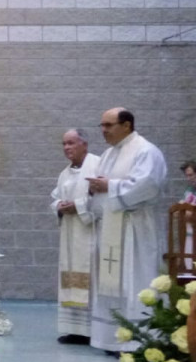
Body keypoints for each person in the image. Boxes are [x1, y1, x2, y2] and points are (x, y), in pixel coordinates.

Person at [87, 108, 166, 353]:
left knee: (136, 281)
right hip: (111, 227)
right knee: (112, 284)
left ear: (127, 125)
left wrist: (108, 186)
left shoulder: (146, 151)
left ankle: (139, 340)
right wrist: (94, 190)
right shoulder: (109, 154)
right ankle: (113, 338)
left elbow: (147, 185)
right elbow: (99, 186)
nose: (104, 130)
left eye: (109, 125)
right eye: (102, 125)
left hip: (135, 231)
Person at [49, 128, 101, 345]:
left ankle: (92, 330)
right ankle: (74, 329)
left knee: (91, 279)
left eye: (71, 143)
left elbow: (102, 198)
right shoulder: (64, 173)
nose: (67, 148)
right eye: (64, 144)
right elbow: (54, 197)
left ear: (84, 145)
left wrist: (78, 206)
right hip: (70, 235)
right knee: (70, 276)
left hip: (91, 234)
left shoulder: (97, 165)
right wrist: (59, 206)